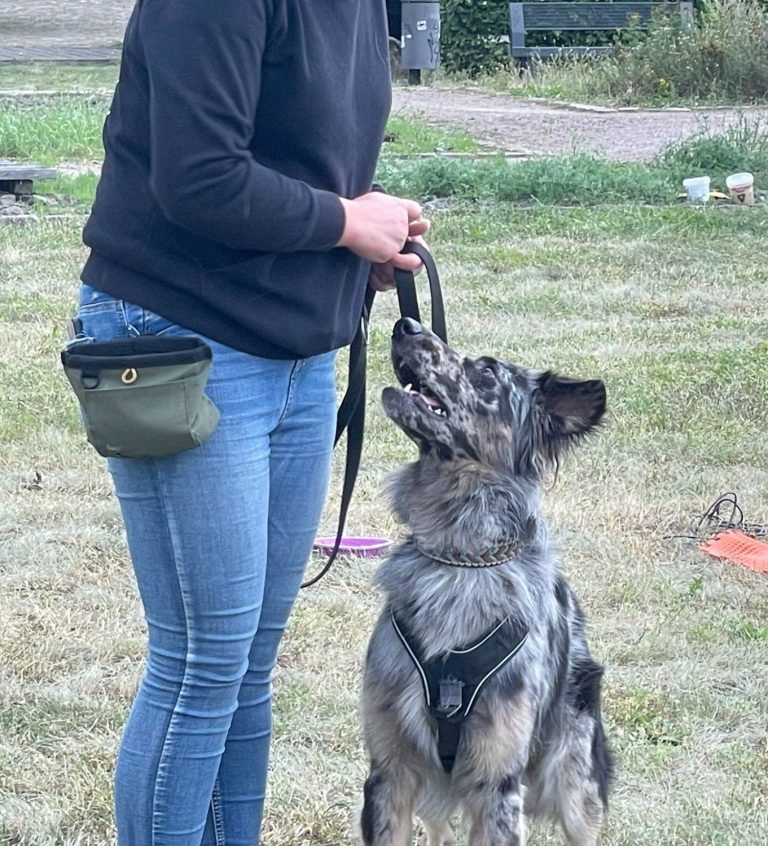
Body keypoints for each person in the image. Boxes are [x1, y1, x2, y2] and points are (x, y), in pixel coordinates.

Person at [73, 2, 428, 844]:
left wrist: (354, 245)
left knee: (245, 666)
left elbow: (300, 162)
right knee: (202, 663)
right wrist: (345, 222)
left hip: (296, 348)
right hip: (181, 339)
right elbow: (198, 178)